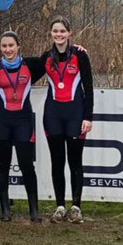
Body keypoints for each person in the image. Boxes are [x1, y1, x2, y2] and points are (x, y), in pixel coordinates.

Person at [0, 30, 44, 223]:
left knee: (26, 165)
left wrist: (74, 47)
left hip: (23, 121)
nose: (8, 49)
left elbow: (51, 58)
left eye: (11, 45)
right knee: (3, 164)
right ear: (0, 48)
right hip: (2, 121)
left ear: (18, 46)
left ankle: (34, 210)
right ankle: (4, 209)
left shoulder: (31, 65)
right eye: (4, 46)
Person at [40, 16, 93, 224]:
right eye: (55, 31)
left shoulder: (80, 55)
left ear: (69, 33)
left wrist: (88, 117)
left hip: (75, 115)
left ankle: (76, 207)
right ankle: (60, 207)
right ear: (51, 33)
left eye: (62, 31)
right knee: (57, 161)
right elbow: (23, 68)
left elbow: (89, 88)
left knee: (75, 161)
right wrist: (1, 65)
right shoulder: (46, 57)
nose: (59, 34)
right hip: (53, 116)